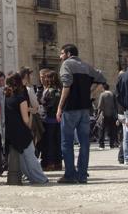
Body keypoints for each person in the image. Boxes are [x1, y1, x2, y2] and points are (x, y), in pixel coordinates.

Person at [56, 44, 106, 183]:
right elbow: (102, 79)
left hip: (70, 109)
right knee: (84, 143)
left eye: (61, 53)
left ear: (68, 53)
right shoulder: (86, 66)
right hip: (85, 109)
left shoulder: (66, 65)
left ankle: (70, 175)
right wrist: (90, 93)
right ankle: (82, 175)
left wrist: (60, 107)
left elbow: (66, 86)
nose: (60, 56)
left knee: (67, 142)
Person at [4, 73, 48, 184]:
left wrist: (28, 109)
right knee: (30, 156)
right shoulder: (21, 98)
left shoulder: (7, 97)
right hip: (21, 131)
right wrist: (30, 126)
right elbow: (25, 120)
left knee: (23, 159)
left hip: (11, 131)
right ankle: (40, 178)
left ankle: (30, 177)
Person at [40, 70, 62, 171]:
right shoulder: (58, 90)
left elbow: (50, 105)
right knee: (56, 142)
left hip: (49, 119)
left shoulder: (51, 90)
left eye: (47, 77)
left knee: (49, 143)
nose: (45, 79)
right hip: (56, 120)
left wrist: (42, 103)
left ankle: (50, 163)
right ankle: (57, 163)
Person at [97, 83, 117, 149]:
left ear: (103, 88)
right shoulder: (112, 94)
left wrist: (98, 114)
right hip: (112, 114)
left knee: (101, 130)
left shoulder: (102, 94)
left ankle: (101, 145)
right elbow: (115, 104)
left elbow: (100, 106)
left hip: (104, 114)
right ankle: (112, 144)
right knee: (112, 130)